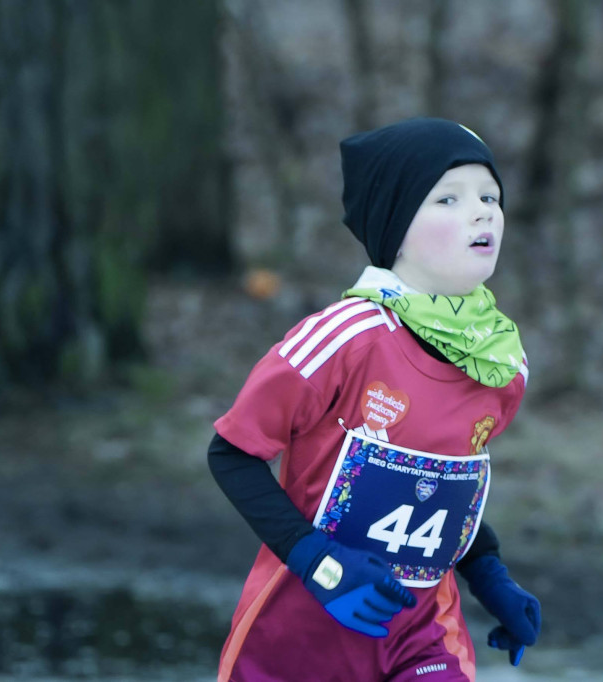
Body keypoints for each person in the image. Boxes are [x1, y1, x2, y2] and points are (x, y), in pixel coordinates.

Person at [208, 117, 542, 682]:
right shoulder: (346, 337)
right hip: (295, 640)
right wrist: (318, 561)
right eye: (449, 198)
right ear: (396, 225)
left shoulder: (501, 361)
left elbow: (439, 493)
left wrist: (488, 572)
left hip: (423, 635)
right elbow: (231, 452)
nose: (483, 211)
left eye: (490, 196)